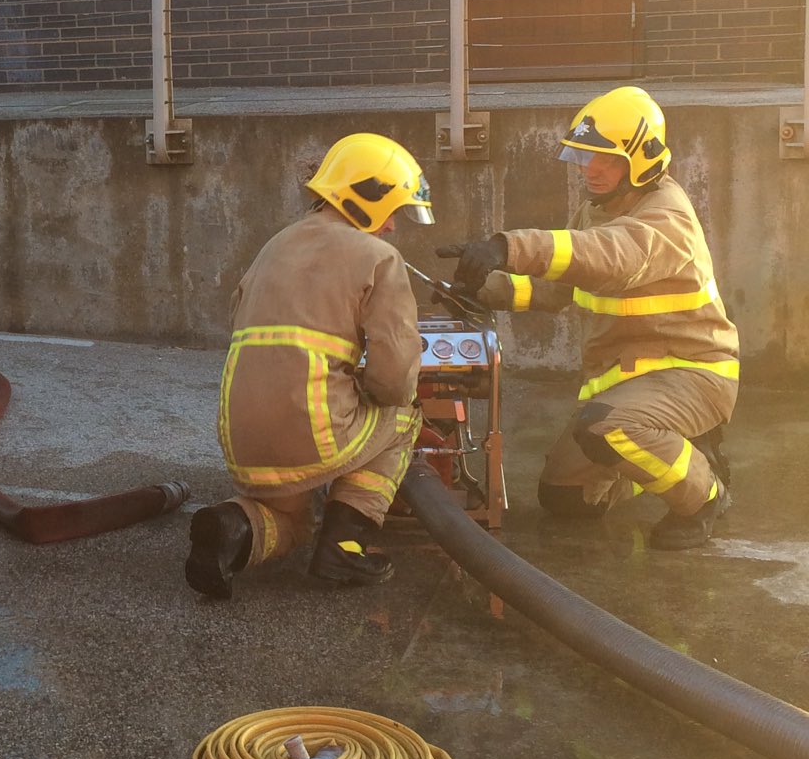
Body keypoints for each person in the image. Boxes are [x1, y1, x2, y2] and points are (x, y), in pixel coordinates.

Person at [449, 85, 737, 550]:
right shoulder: (597, 208)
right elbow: (560, 285)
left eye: (606, 159)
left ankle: (705, 496)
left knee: (608, 427)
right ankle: (672, 456)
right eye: (586, 158)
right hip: (627, 383)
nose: (592, 170)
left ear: (642, 160)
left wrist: (509, 247)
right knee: (565, 498)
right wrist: (480, 290)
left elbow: (609, 257)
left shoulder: (667, 217)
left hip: (691, 375)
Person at [186, 133, 430, 600]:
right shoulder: (380, 257)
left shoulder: (274, 245)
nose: (394, 227)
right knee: (403, 416)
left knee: (291, 523)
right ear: (368, 197)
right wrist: (371, 390)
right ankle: (345, 545)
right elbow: (396, 378)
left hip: (239, 433)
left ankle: (233, 528)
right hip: (313, 430)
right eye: (395, 211)